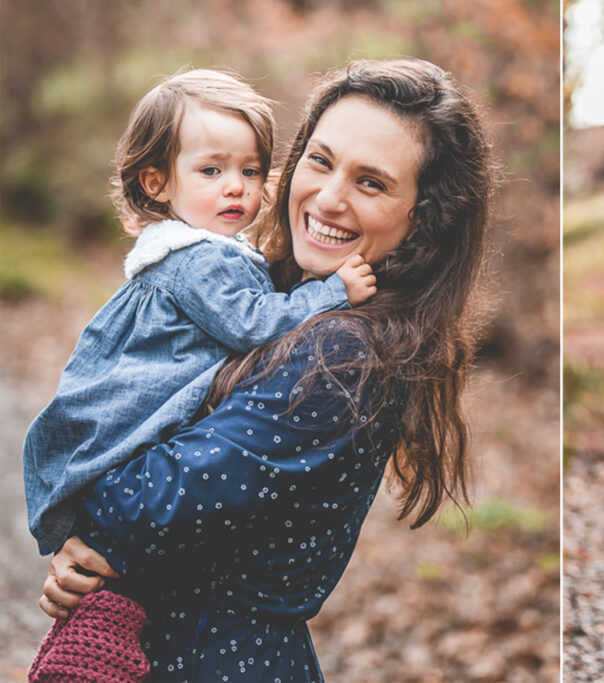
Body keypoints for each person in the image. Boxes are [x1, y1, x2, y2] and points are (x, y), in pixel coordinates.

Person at [36, 58, 496, 682]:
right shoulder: (269, 297)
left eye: (372, 183)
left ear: (422, 216)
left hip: (218, 661)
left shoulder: (346, 353)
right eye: (321, 160)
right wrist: (83, 556)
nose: (329, 198)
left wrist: (85, 540)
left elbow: (140, 505)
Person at [24, 67, 375, 556]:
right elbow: (252, 324)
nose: (235, 187)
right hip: (138, 414)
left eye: (250, 171)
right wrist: (331, 291)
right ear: (158, 182)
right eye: (212, 171)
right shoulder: (198, 258)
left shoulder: (209, 248)